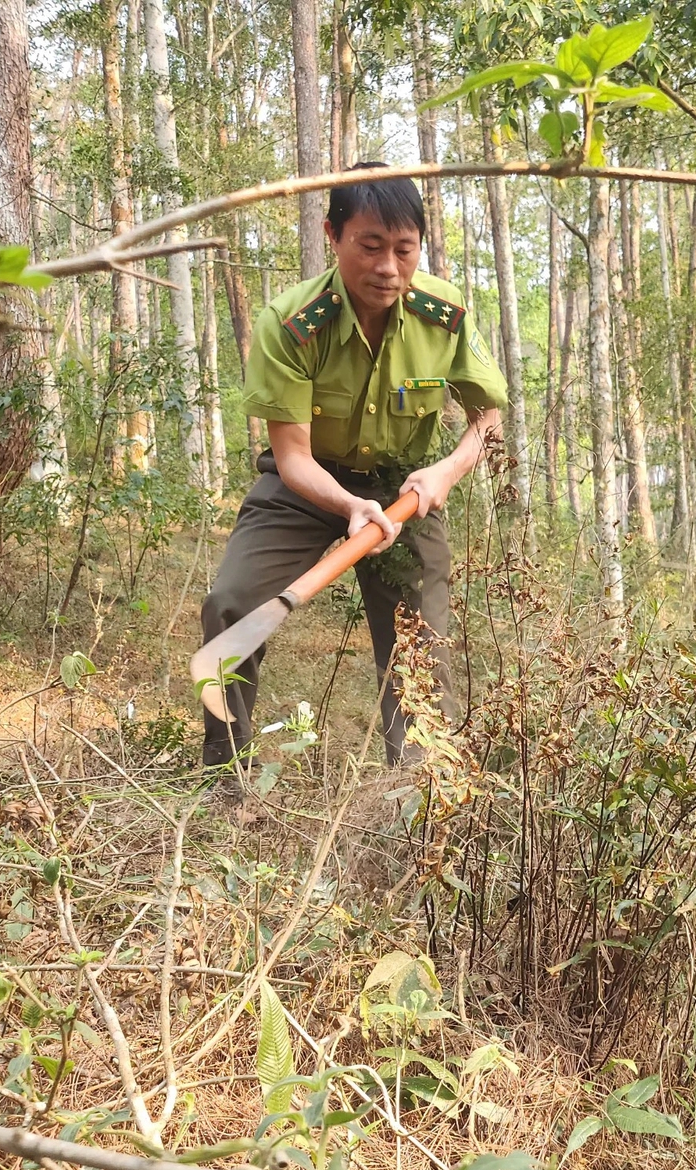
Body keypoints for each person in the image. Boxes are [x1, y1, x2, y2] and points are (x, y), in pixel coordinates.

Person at [202, 166, 507, 769]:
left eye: (404, 249)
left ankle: (416, 801)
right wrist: (347, 505)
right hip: (309, 485)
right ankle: (222, 778)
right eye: (369, 247)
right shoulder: (292, 324)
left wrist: (445, 471)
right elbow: (292, 457)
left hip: (407, 490)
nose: (388, 268)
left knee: (420, 643)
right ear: (332, 235)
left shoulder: (442, 314)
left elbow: (486, 420)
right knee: (231, 603)